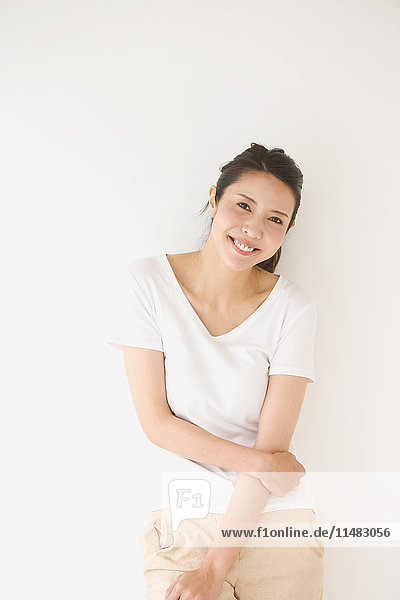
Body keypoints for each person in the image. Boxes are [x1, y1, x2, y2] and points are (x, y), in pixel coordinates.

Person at [107, 142, 324, 599]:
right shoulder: (147, 283)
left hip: (275, 525)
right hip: (183, 520)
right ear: (213, 199)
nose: (253, 228)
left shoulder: (293, 309)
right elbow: (158, 424)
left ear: (287, 231)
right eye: (243, 205)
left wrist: (215, 567)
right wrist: (264, 465)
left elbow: (272, 444)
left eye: (275, 219)